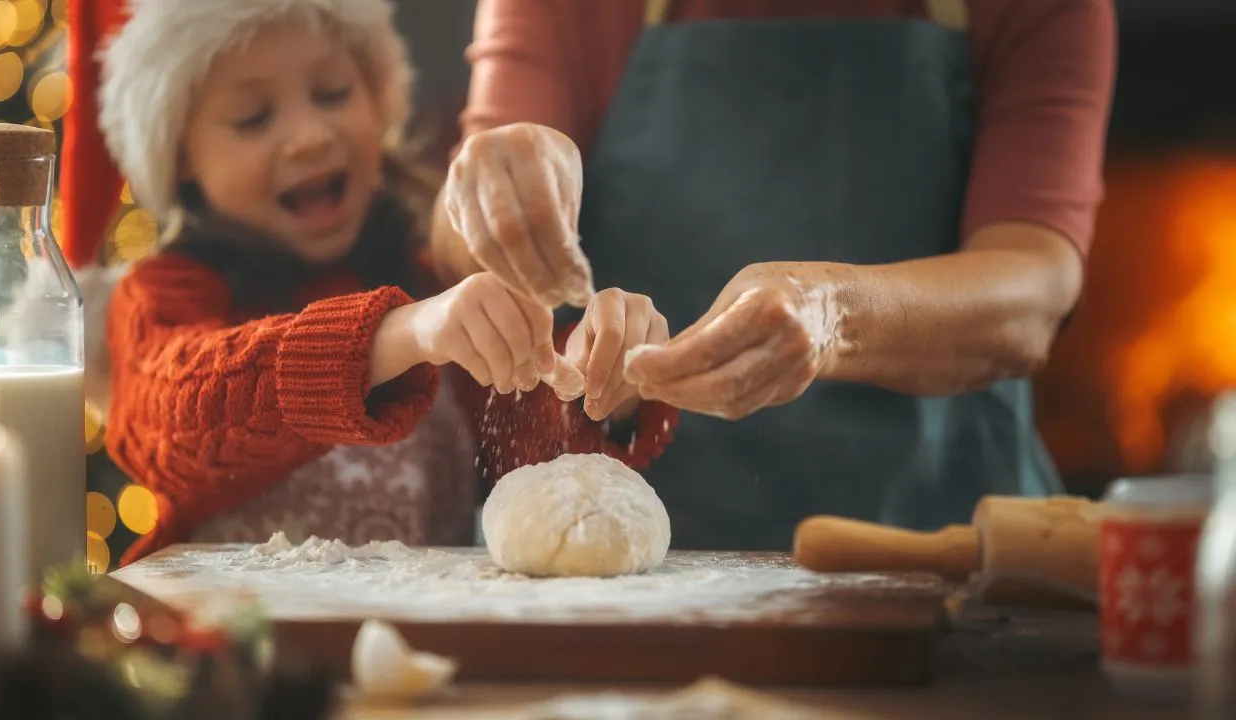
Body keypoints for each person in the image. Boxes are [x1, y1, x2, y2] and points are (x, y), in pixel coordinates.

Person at [430, 0, 1117, 550]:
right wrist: (491, 188)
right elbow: (455, 242)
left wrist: (832, 314)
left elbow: (1035, 289)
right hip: (649, 575)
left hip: (952, 544)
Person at [60, 0, 678, 566]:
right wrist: (398, 333)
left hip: (418, 665)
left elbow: (518, 444)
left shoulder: (423, 275)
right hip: (232, 668)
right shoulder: (163, 294)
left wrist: (597, 382)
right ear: (182, 155)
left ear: (378, 99)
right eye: (253, 118)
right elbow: (180, 415)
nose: (309, 137)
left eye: (332, 93)